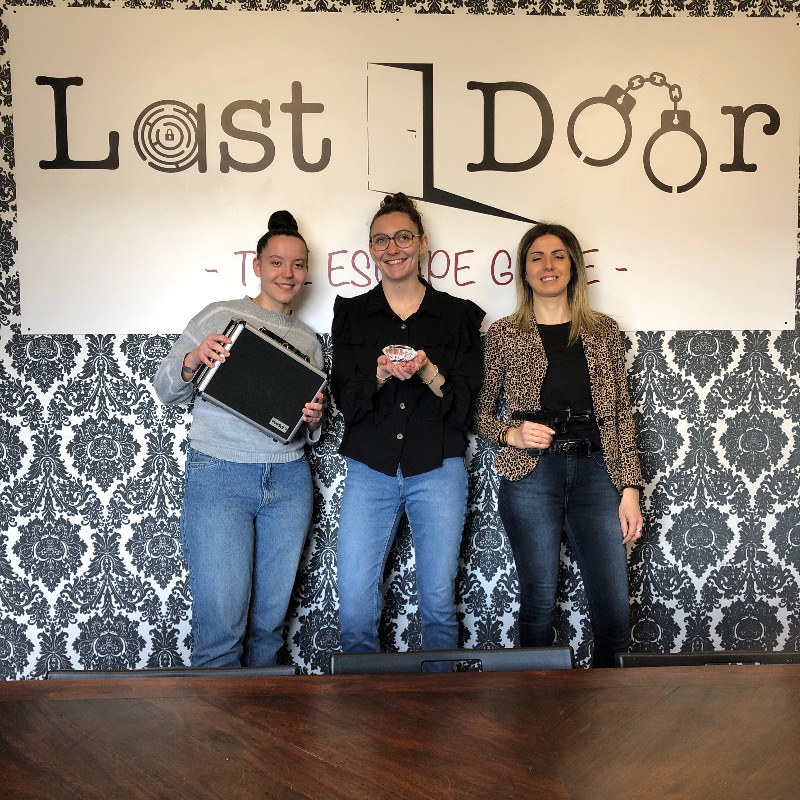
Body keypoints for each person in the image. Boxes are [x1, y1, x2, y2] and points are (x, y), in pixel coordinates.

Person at [154, 210, 325, 668]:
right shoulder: (220, 315)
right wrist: (194, 358)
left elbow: (309, 431)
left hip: (289, 482)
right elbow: (166, 389)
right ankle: (217, 717)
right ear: (257, 265)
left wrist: (314, 418)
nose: (287, 273)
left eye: (297, 265)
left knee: (268, 631)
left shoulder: (309, 340)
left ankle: (262, 716)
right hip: (220, 475)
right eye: (277, 263)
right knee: (221, 630)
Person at [474, 222, 644, 668]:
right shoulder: (504, 334)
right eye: (537, 257)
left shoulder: (603, 331)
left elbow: (621, 415)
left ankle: (609, 701)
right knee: (538, 600)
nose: (547, 265)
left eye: (558, 256)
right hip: (531, 475)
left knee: (614, 608)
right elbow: (477, 413)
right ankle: (537, 702)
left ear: (573, 267)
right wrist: (511, 434)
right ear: (524, 271)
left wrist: (629, 490)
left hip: (596, 474)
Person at [331, 192, 485, 658]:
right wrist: (379, 374)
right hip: (370, 469)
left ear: (422, 242)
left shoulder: (459, 315)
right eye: (381, 240)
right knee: (355, 606)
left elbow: (464, 408)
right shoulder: (352, 314)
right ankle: (362, 701)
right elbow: (346, 401)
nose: (392, 248)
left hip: (438, 468)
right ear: (371, 249)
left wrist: (427, 370)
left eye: (403, 237)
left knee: (437, 604)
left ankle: (439, 704)